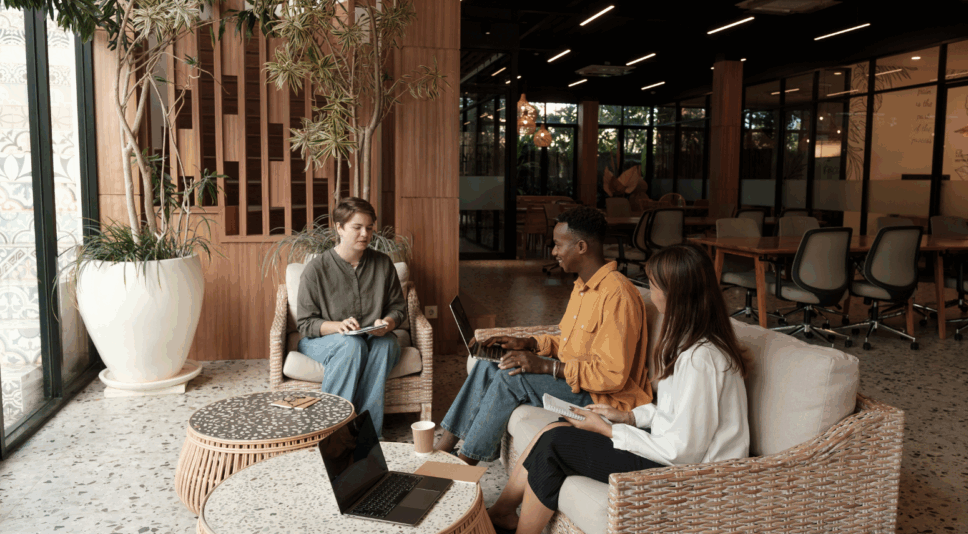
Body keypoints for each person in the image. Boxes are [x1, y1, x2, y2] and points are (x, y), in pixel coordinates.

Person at [487, 243, 750, 534]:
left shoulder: (702, 359)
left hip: (691, 474)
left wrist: (608, 430)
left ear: (675, 295)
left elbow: (683, 452)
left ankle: (508, 520)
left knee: (555, 445)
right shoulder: (689, 342)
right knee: (559, 430)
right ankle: (503, 515)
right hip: (672, 451)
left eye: (653, 286)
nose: (653, 294)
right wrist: (626, 418)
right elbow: (674, 412)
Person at [434, 206, 653, 465]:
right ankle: (439, 450)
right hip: (580, 383)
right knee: (486, 364)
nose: (553, 252)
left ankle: (463, 464)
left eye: (558, 245)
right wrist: (528, 343)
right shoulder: (583, 286)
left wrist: (548, 367)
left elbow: (611, 376)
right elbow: (569, 344)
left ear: (581, 247)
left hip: (601, 397)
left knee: (510, 378)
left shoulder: (618, 295)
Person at [295, 197, 405, 437]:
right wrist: (337, 326)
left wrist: (387, 324)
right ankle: (332, 430)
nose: (365, 234)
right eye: (357, 227)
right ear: (339, 228)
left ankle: (368, 434)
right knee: (351, 344)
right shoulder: (316, 269)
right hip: (323, 341)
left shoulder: (383, 264)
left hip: (374, 338)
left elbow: (399, 309)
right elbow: (305, 324)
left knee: (385, 345)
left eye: (369, 227)